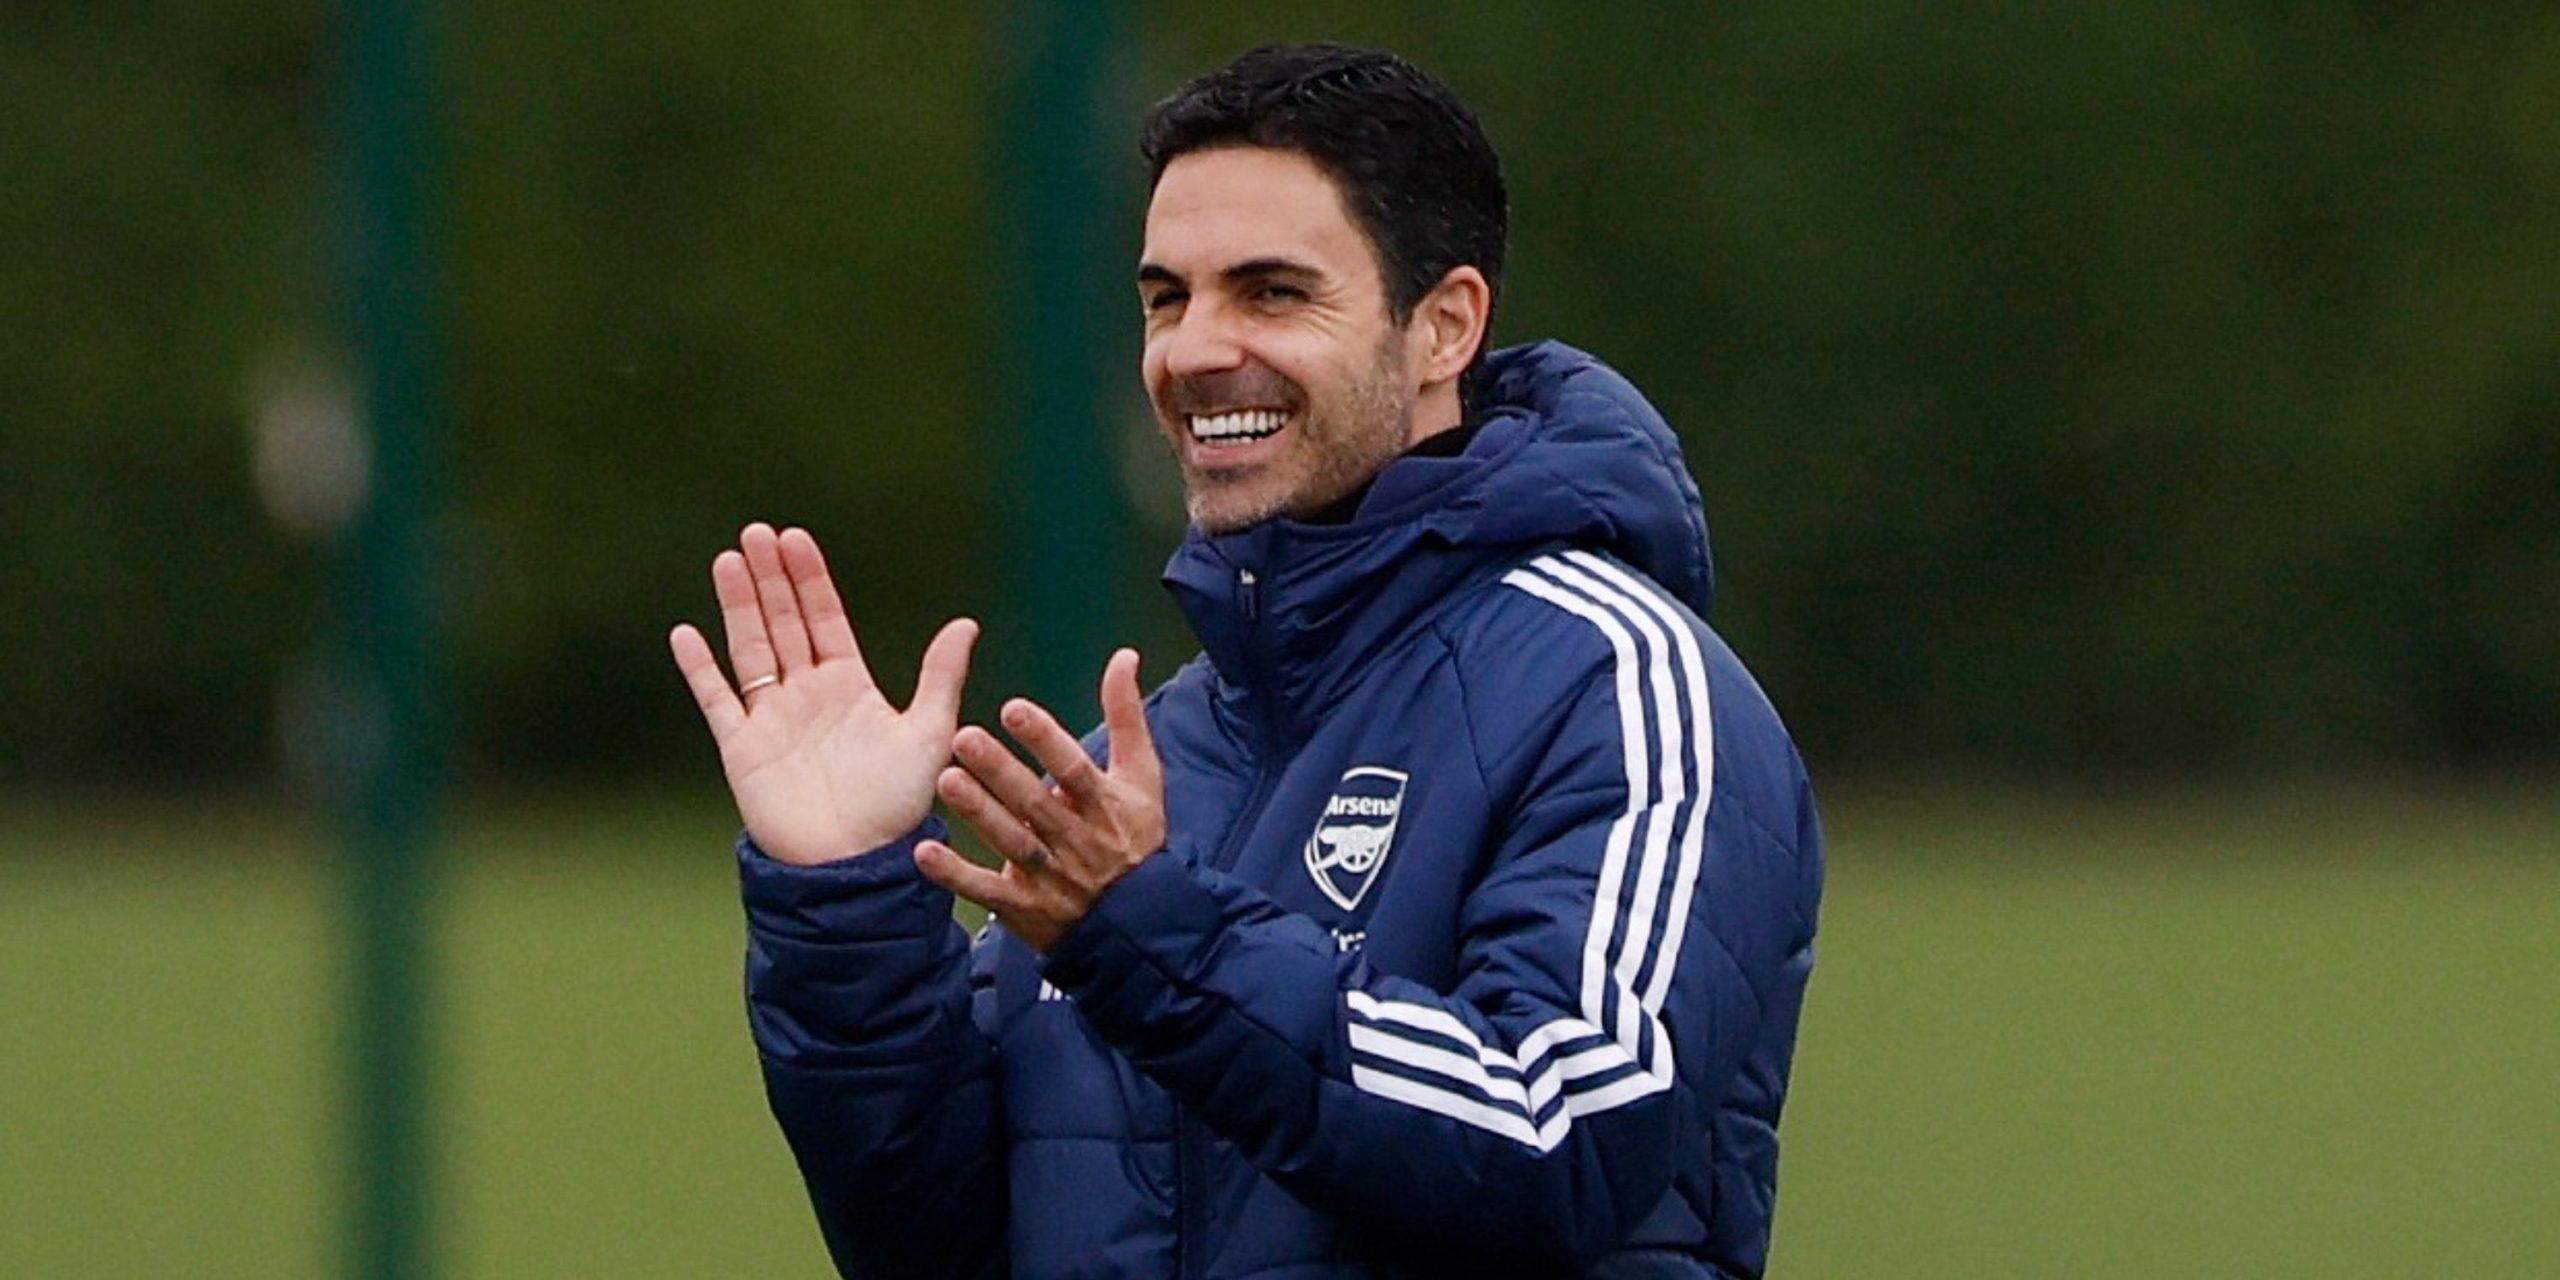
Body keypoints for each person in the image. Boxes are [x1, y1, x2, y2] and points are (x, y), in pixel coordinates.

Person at [669, 43, 1823, 1280]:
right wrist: (847, 908)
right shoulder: (1153, 762)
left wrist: (1154, 937)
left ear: (1443, 326)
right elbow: (949, 1246)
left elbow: (1561, 1139)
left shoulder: (1619, 683)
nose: (1194, 350)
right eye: (1167, 298)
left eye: (1271, 292)